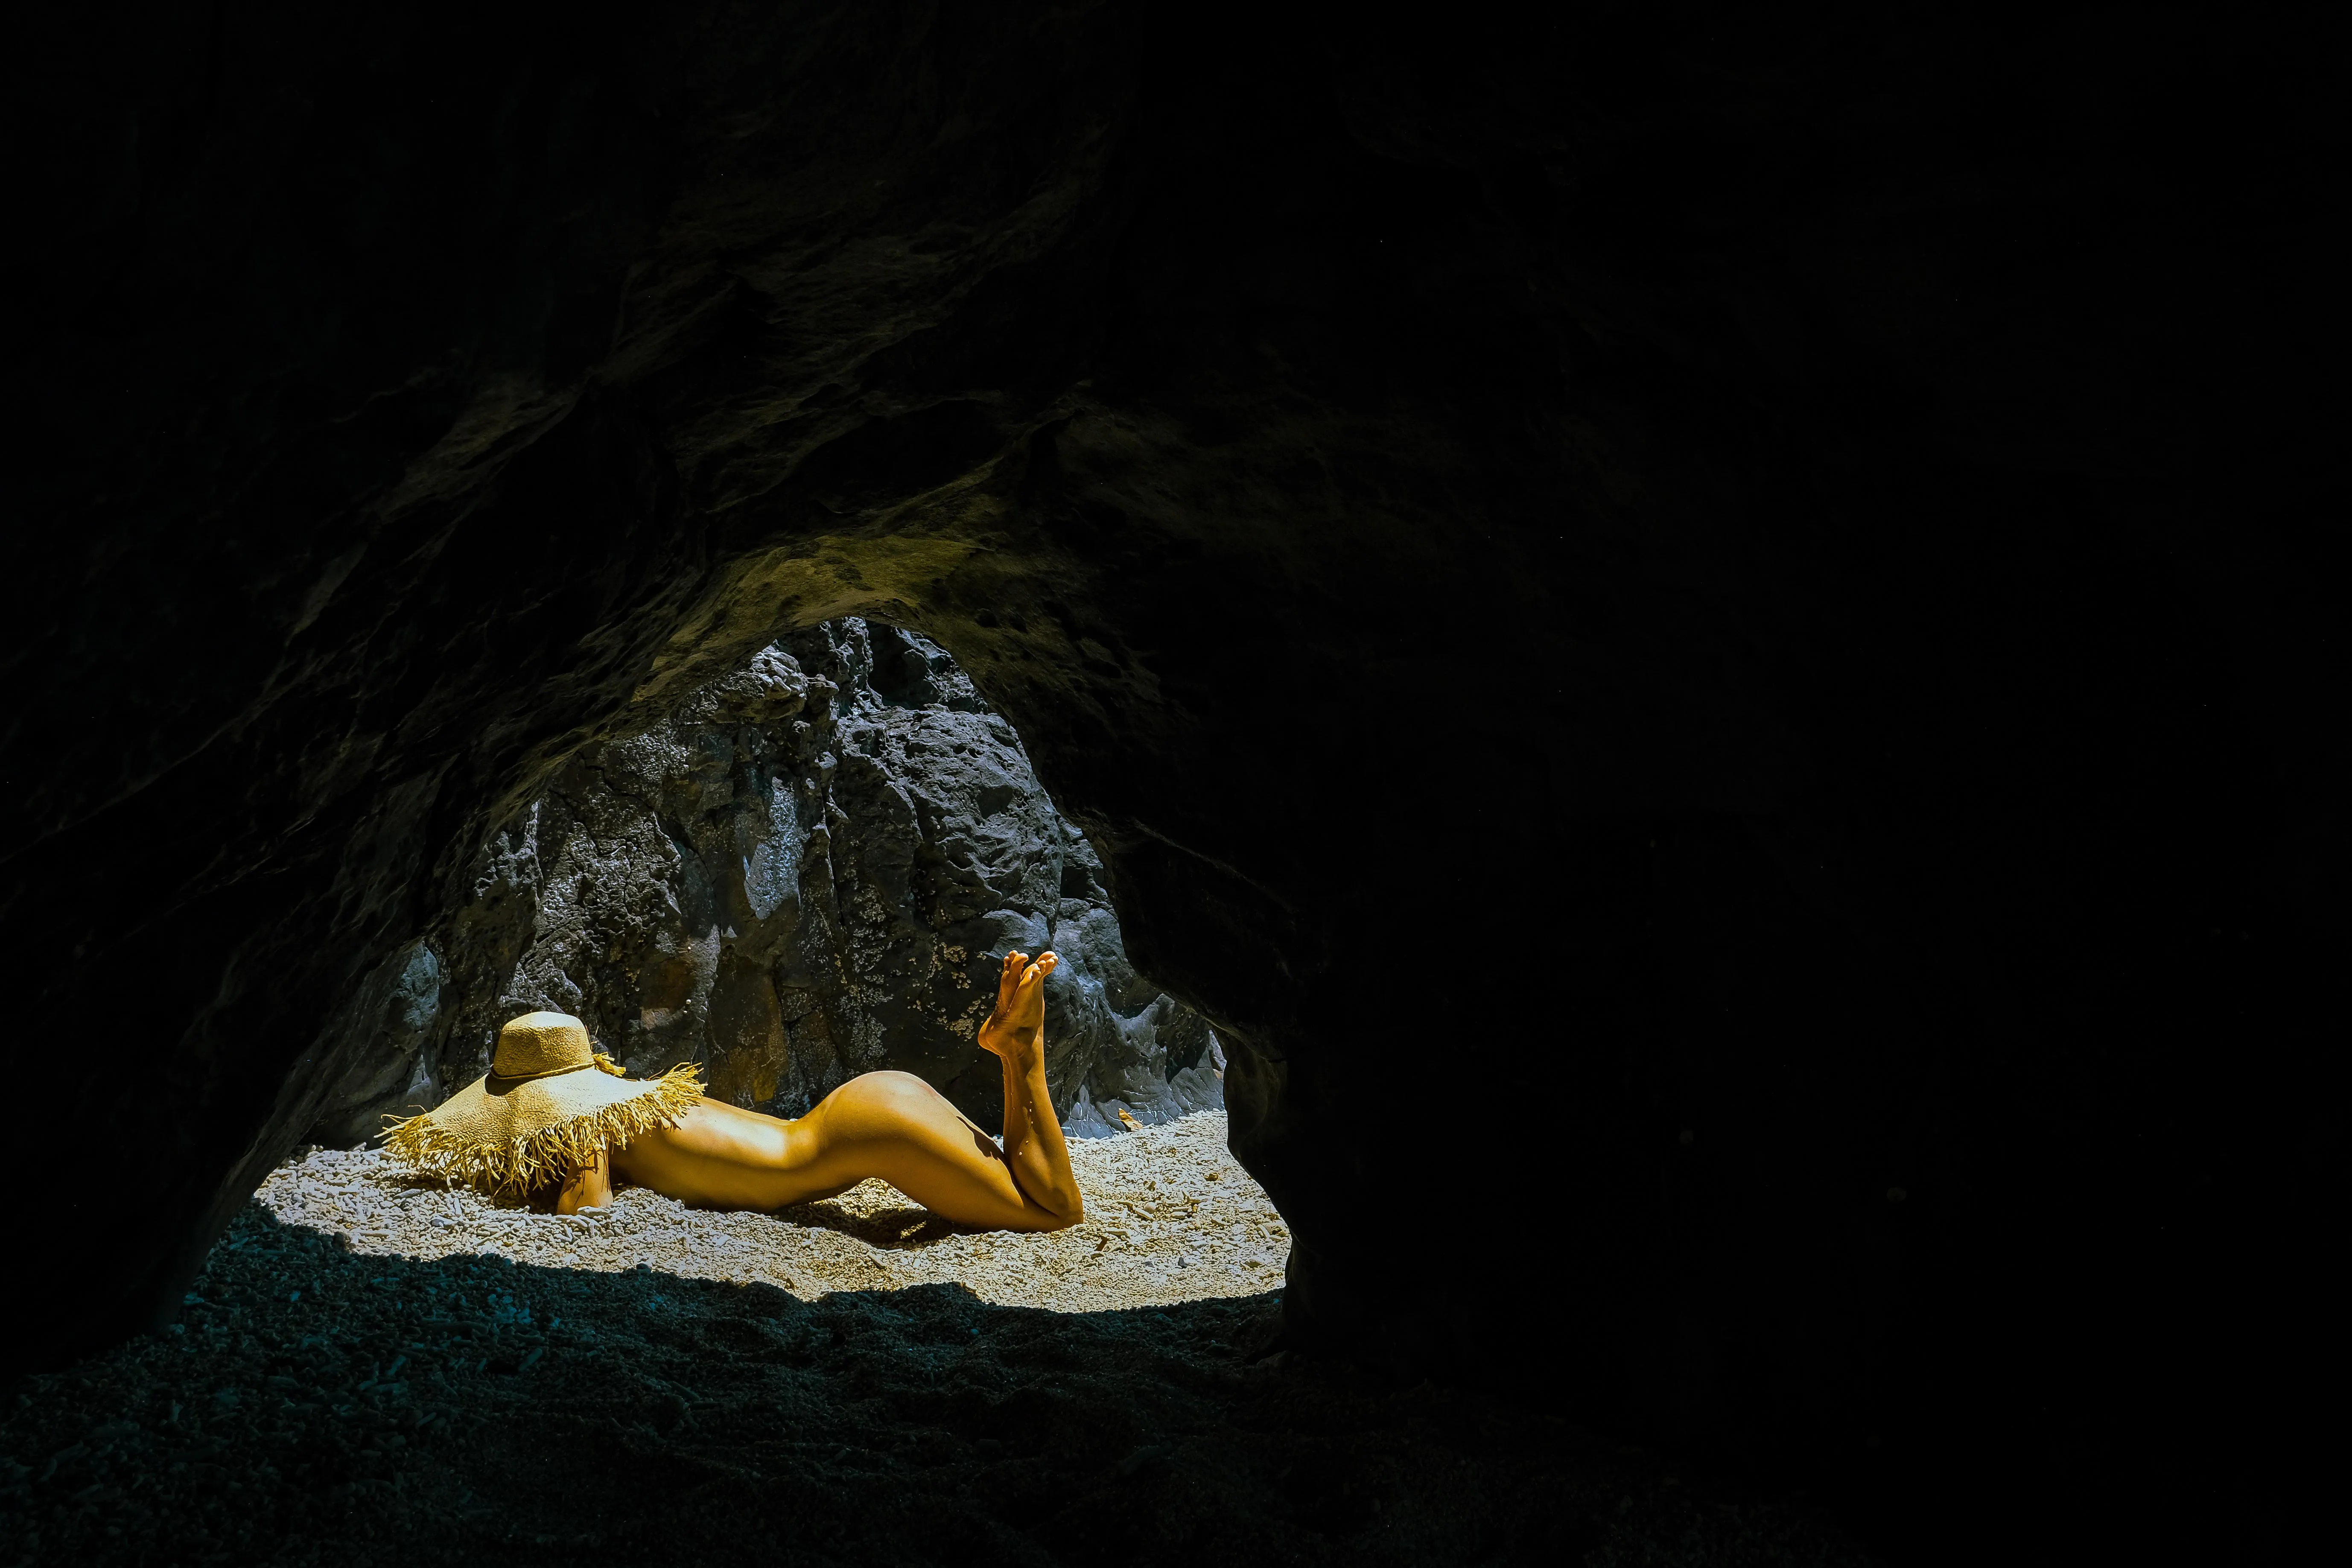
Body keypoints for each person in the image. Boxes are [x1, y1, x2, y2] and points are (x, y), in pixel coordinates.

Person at [382, 950, 1082, 1231]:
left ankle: (1021, 1050)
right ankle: (1012, 1051)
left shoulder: (589, 1131)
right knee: (1028, 1191)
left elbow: (583, 1218)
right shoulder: (624, 1102)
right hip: (867, 1108)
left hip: (872, 1131)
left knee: (1053, 1212)